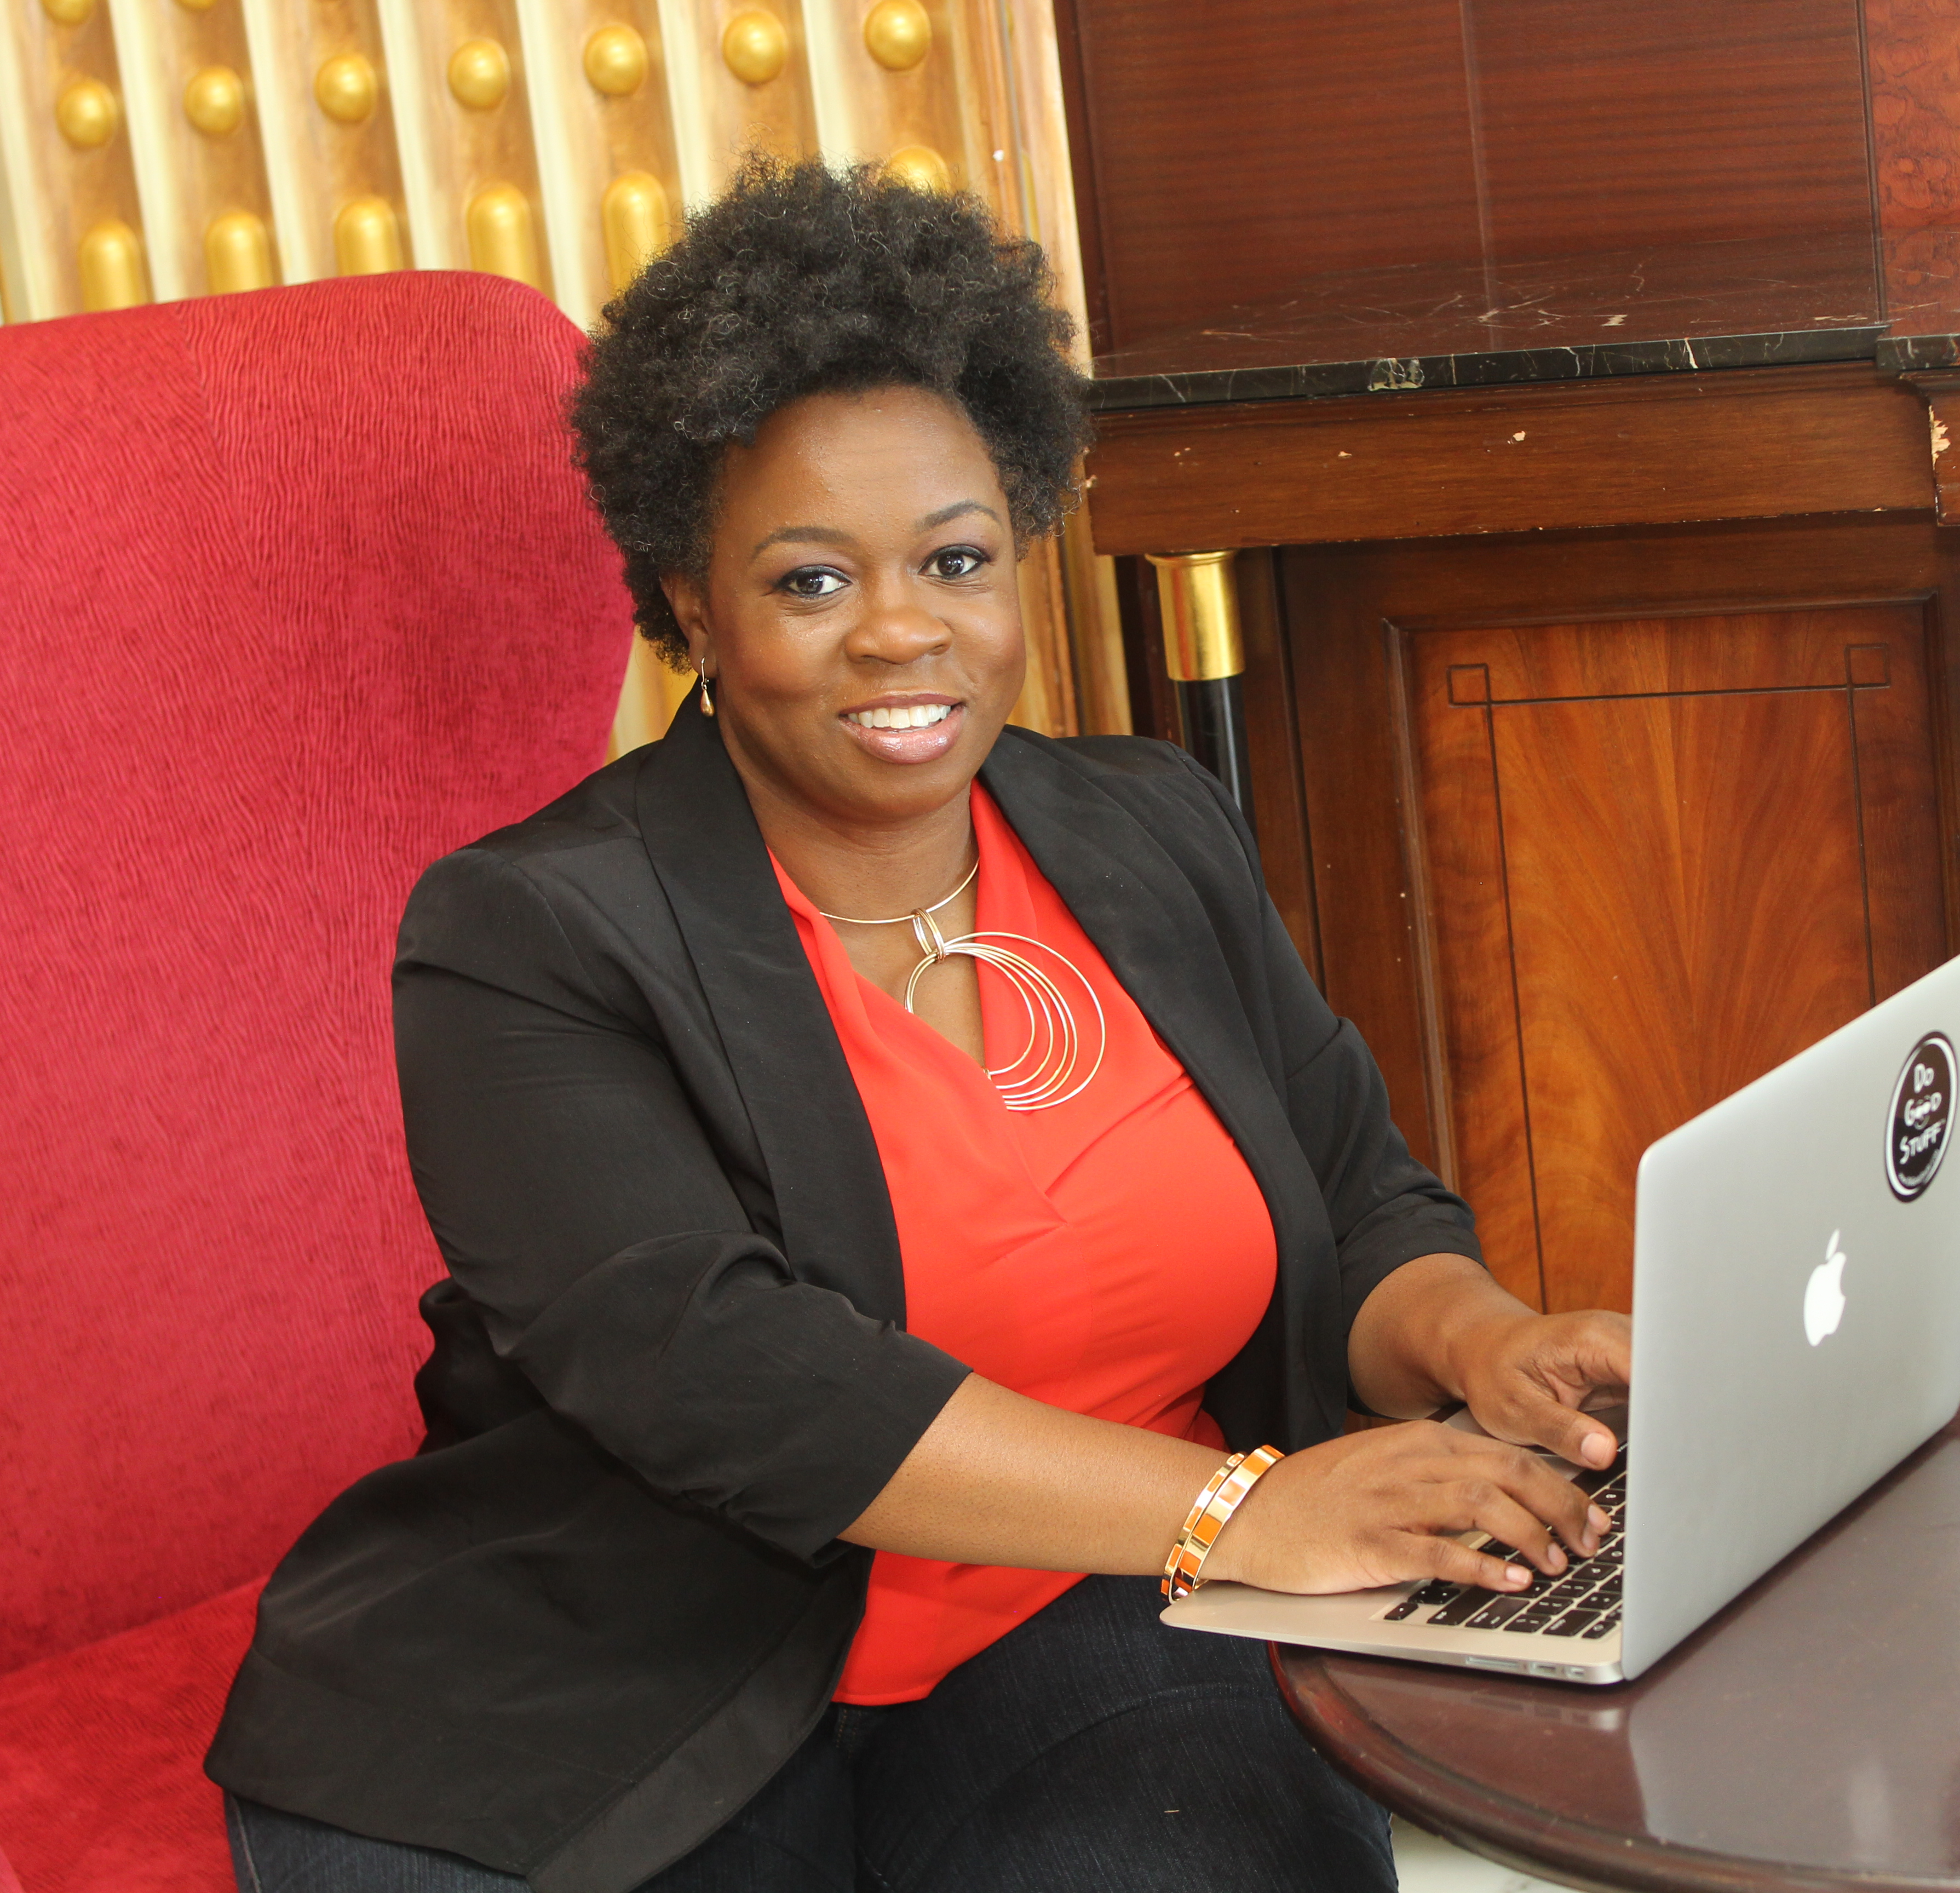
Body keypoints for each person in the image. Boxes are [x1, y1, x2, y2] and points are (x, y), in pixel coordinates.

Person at [205, 157, 1630, 1893]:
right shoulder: (530, 932)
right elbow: (726, 1381)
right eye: (810, 582)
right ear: (686, 606)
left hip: (1094, 1640)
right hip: (621, 1695)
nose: (902, 632)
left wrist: (1482, 1343)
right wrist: (1236, 1507)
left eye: (955, 559)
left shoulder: (1146, 827)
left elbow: (1355, 1198)